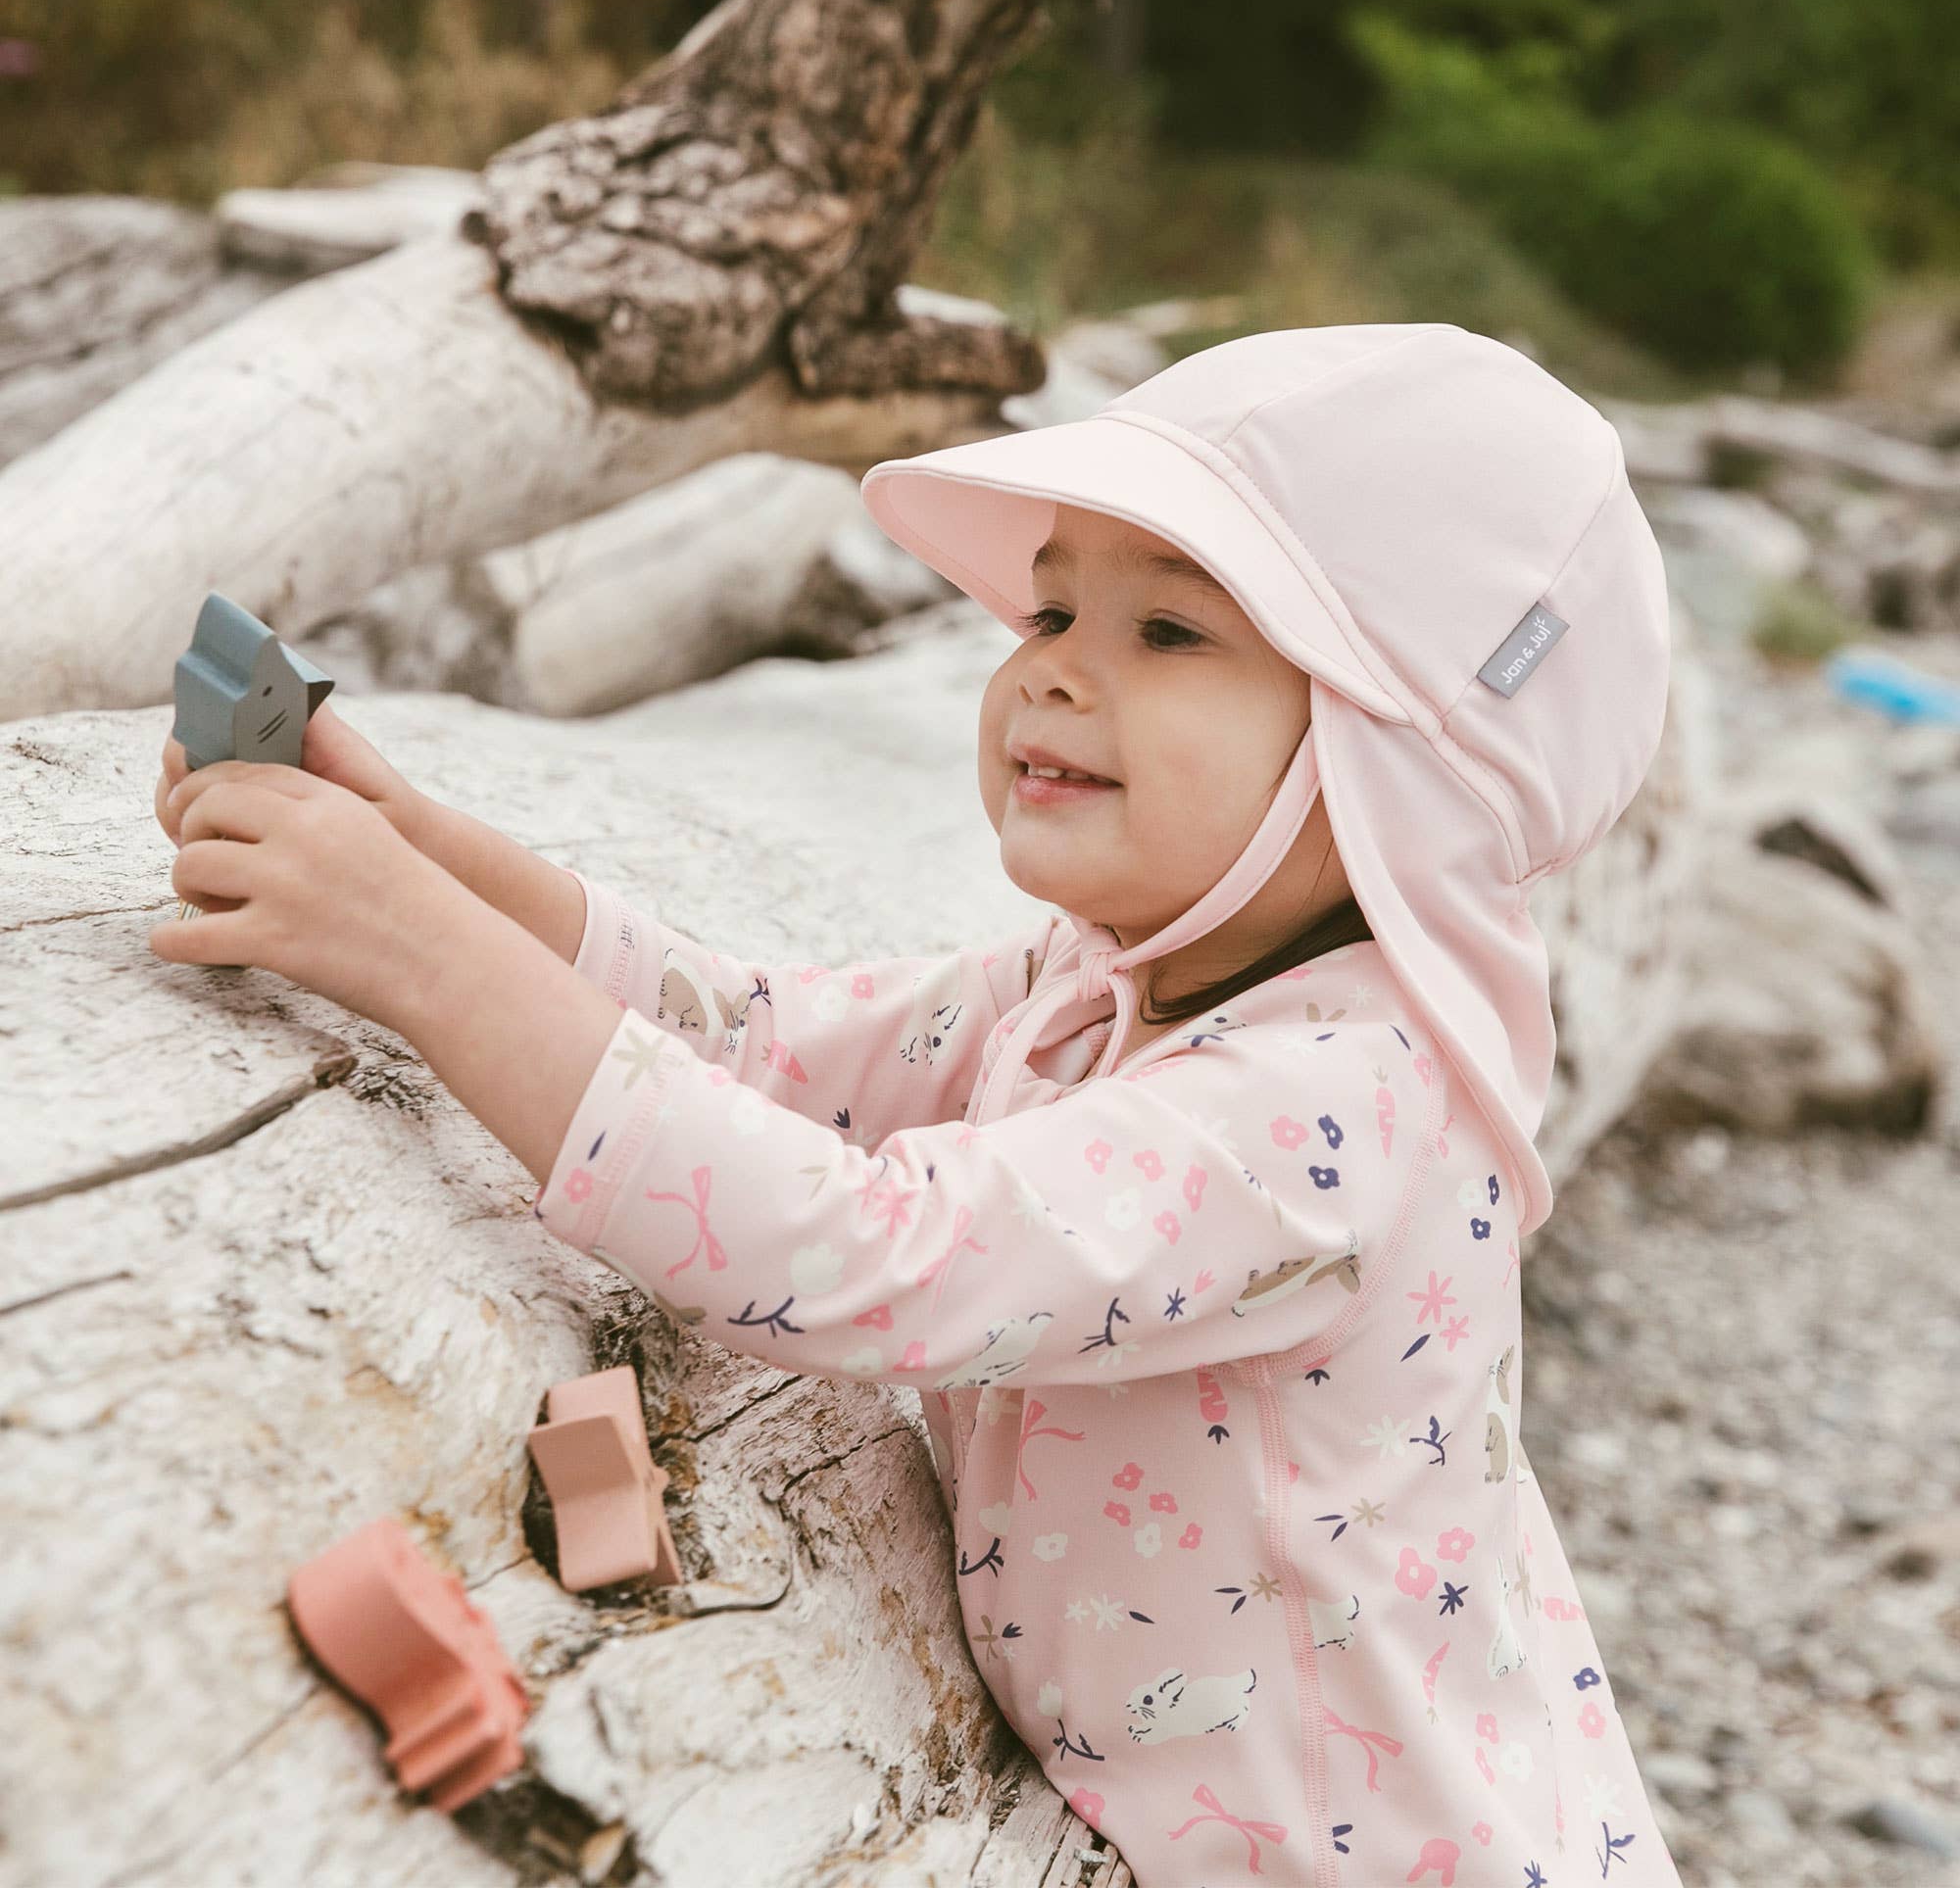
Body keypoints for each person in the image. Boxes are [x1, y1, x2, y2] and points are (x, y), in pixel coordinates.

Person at [153, 323, 1682, 1884]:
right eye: (1058, 603)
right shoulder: (1096, 982)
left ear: (1395, 769)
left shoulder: (1331, 1112)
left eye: (1170, 633)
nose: (1053, 667)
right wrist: (424, 853)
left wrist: (422, 959)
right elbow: (763, 1044)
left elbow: (868, 1252)